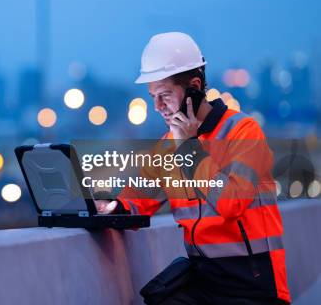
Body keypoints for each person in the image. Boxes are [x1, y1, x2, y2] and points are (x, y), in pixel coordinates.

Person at [95, 32, 290, 304]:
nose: (158, 107)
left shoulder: (243, 131)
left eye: (164, 95)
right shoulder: (168, 146)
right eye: (153, 97)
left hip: (254, 285)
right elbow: (136, 199)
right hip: (204, 282)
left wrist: (188, 148)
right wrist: (106, 206)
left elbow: (231, 202)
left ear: (195, 87)